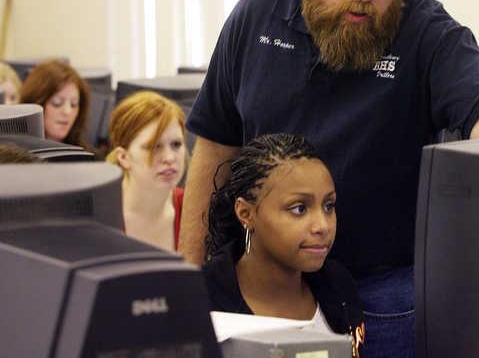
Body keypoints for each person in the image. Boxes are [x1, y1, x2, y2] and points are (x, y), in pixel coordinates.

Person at [179, 0, 479, 357]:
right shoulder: (256, 17)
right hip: (262, 284)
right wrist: (188, 281)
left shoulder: (428, 33)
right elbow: (215, 146)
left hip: (381, 292)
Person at [203, 133, 365, 357]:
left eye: (329, 206)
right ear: (246, 213)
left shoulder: (338, 287)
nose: (323, 226)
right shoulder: (201, 301)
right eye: (299, 208)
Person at [107, 91, 187, 251]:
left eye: (176, 144)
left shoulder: (193, 209)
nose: (169, 158)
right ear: (123, 157)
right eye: (154, 147)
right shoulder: (101, 217)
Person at [20, 60, 91, 148]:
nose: (67, 111)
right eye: (57, 103)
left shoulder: (91, 158)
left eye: (73, 104)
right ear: (36, 104)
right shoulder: (13, 157)